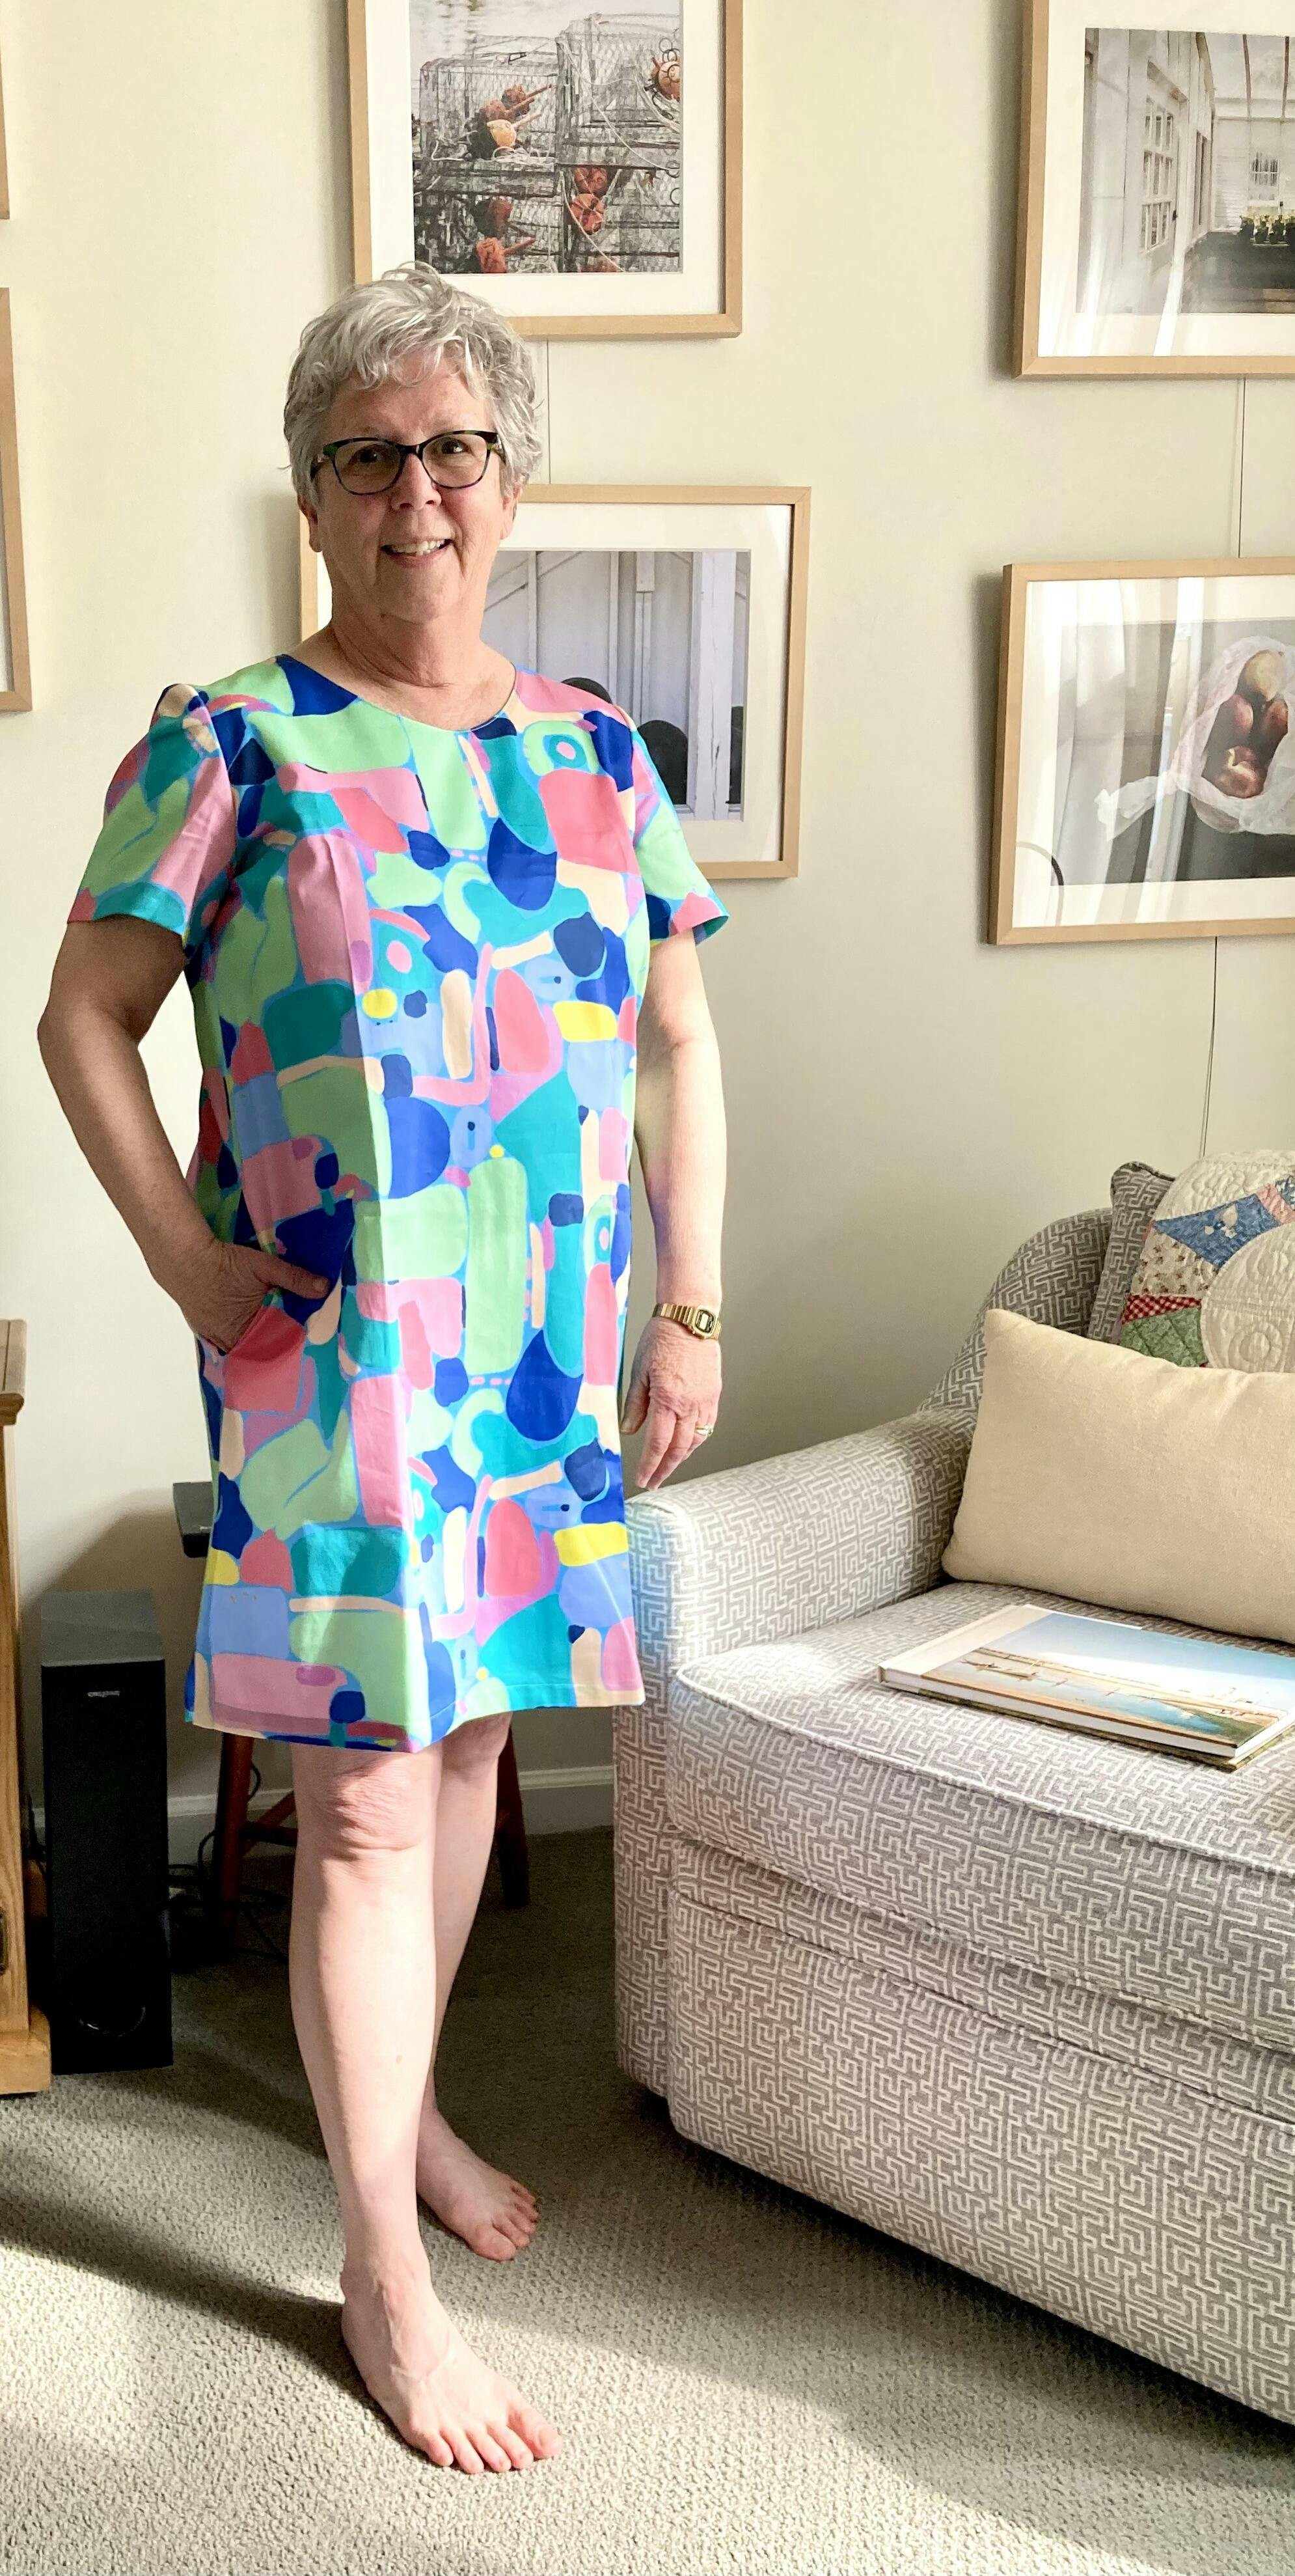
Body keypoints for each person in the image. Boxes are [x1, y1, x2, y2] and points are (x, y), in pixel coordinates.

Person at [38, 262, 729, 2475]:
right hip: (327, 1357)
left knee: (471, 1751)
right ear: (313, 495)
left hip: (534, 1357)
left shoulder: (599, 757)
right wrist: (181, 1260)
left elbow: (680, 1039)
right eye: (366, 456)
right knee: (357, 1791)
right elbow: (82, 1018)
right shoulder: (229, 740)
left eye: (454, 450)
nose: (415, 491)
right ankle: (379, 2273)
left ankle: (405, 2116)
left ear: (510, 481)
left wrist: (689, 1305)